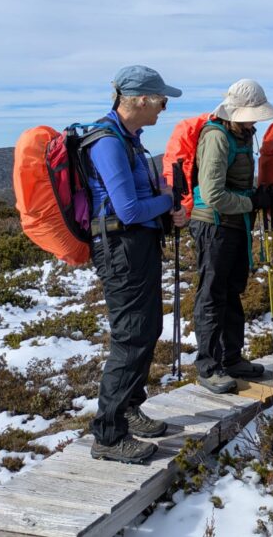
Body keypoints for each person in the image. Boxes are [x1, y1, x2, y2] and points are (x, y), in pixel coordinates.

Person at [87, 65, 187, 463]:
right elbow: (127, 209)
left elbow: (135, 204)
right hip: (121, 249)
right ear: (141, 100)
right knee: (131, 336)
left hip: (136, 246)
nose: (164, 107)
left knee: (147, 327)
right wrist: (167, 201)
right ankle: (108, 435)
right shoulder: (110, 143)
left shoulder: (130, 140)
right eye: (161, 100)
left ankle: (128, 409)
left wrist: (165, 210)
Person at [190, 80, 273, 393]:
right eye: (252, 114)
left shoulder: (241, 133)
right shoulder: (216, 136)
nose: (256, 120)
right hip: (214, 225)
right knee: (212, 294)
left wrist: (255, 196)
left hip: (233, 222)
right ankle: (208, 365)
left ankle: (230, 358)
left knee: (230, 291)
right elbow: (213, 193)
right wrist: (252, 202)